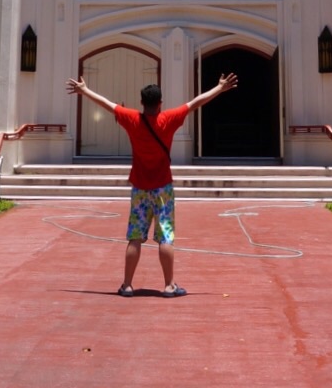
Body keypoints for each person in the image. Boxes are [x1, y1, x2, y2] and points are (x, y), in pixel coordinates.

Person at [65, 71, 238, 297]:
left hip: (140, 187)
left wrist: (84, 90)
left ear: (141, 102)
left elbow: (108, 104)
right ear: (160, 103)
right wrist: (220, 88)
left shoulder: (132, 119)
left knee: (135, 237)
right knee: (165, 236)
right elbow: (196, 103)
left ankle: (127, 284)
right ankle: (169, 285)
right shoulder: (168, 119)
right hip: (163, 188)